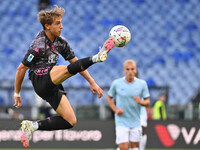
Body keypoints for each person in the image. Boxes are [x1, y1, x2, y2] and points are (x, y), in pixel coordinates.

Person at [13, 5, 115, 148]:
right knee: (66, 70)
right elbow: (21, 68)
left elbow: (76, 63)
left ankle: (32, 126)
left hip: (51, 84)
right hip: (39, 78)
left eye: (61, 22)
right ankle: (96, 57)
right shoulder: (38, 45)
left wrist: (92, 82)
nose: (61, 26)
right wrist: (17, 93)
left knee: (70, 120)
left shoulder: (61, 42)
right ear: (47, 26)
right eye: (57, 23)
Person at [106, 59, 150, 150]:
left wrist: (140, 102)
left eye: (132, 69)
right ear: (124, 70)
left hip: (136, 121)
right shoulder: (116, 83)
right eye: (128, 69)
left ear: (136, 70)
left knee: (134, 147)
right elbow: (109, 98)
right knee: (124, 147)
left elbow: (147, 102)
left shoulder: (142, 84)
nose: (130, 71)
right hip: (121, 121)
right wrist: (116, 110)